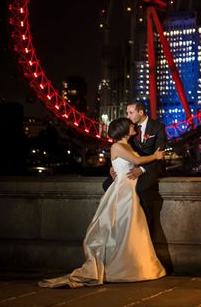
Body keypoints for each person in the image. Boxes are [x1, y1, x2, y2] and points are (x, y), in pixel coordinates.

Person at [39, 118, 166, 288]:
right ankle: (123, 268)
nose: (133, 126)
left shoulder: (127, 145)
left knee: (130, 229)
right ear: (123, 129)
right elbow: (136, 161)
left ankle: (131, 266)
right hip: (122, 190)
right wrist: (156, 156)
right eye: (130, 125)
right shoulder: (117, 146)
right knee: (123, 227)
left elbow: (126, 163)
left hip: (129, 188)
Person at [102, 101, 166, 231]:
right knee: (107, 185)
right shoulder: (130, 129)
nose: (128, 116)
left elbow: (159, 153)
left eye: (130, 113)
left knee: (141, 189)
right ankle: (121, 223)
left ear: (140, 112)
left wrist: (142, 169)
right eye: (127, 113)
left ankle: (145, 225)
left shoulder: (158, 127)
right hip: (131, 167)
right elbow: (119, 149)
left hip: (150, 168)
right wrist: (113, 167)